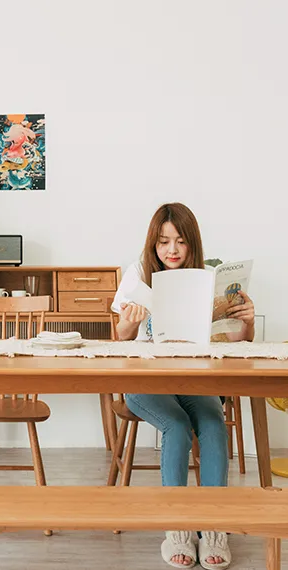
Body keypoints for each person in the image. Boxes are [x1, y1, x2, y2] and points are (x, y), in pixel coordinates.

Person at [112, 203, 255, 570]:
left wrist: (246, 322)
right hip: (146, 378)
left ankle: (214, 528)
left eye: (180, 242)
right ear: (153, 244)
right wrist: (130, 320)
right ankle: (177, 531)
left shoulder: (206, 278)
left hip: (194, 378)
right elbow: (121, 337)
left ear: (192, 244)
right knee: (175, 427)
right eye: (163, 242)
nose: (171, 250)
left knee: (212, 424)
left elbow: (238, 342)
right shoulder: (139, 273)